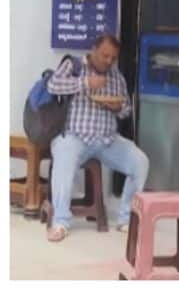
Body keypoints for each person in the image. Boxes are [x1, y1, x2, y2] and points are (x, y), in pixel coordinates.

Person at [45, 34, 149, 242]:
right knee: (63, 158)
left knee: (140, 162)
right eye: (104, 56)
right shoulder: (73, 65)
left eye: (113, 58)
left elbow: (125, 109)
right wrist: (85, 83)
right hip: (75, 135)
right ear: (93, 50)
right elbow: (53, 86)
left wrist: (118, 107)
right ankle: (61, 222)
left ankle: (126, 219)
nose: (108, 61)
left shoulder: (116, 76)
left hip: (107, 140)